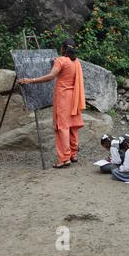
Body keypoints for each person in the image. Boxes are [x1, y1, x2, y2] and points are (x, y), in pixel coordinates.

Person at [19, 38, 86, 168]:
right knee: (73, 125)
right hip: (74, 97)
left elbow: (50, 76)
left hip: (63, 97)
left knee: (62, 126)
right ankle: (73, 154)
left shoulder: (60, 60)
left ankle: (64, 158)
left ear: (63, 48)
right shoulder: (76, 61)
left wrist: (30, 80)